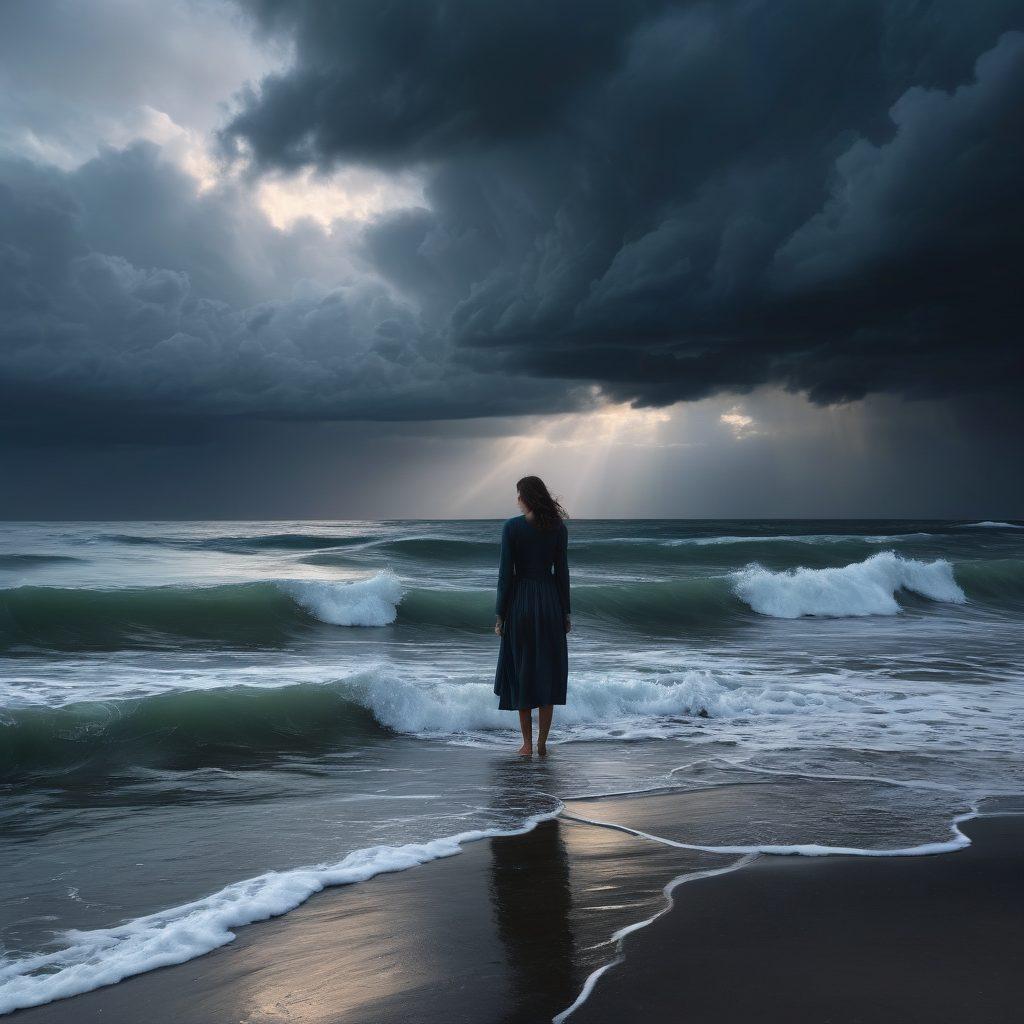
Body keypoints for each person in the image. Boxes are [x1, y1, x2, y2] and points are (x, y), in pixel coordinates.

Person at [493, 475, 571, 756]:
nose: (516, 500)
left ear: (525, 497)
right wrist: (566, 612)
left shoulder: (512, 528)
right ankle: (542, 743)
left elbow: (505, 576)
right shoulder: (558, 528)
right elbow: (562, 573)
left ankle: (526, 743)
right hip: (550, 603)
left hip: (521, 604)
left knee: (523, 670)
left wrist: (500, 614)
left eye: (518, 495)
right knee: (547, 672)